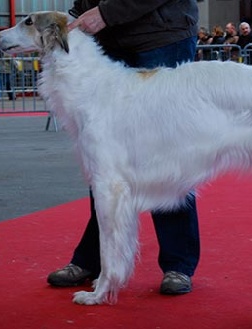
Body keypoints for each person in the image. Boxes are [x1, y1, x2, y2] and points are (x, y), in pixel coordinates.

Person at [47, 0, 201, 296]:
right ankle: (96, 260)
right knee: (103, 165)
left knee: (164, 156)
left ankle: (178, 264)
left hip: (162, 36)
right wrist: (79, 14)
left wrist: (105, 13)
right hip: (109, 38)